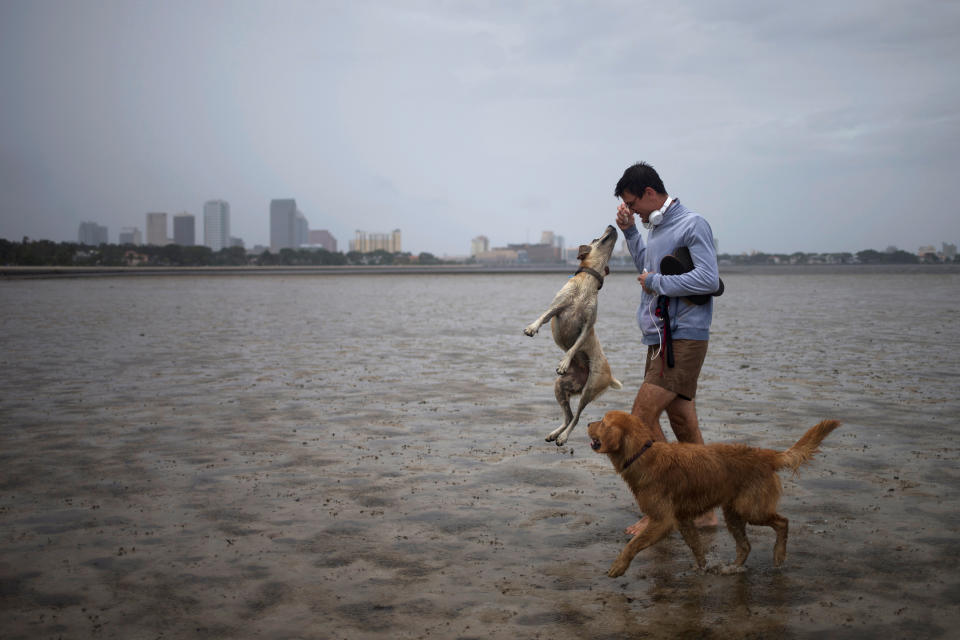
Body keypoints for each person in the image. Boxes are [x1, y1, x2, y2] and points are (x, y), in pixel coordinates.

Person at [613, 161, 721, 534]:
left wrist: (657, 282)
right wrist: (629, 232)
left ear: (649, 193)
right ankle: (705, 510)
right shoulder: (655, 227)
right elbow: (649, 266)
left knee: (639, 420)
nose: (634, 210)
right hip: (661, 337)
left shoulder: (692, 224)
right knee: (681, 421)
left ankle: (663, 509)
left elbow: (708, 278)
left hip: (684, 335)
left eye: (633, 203)